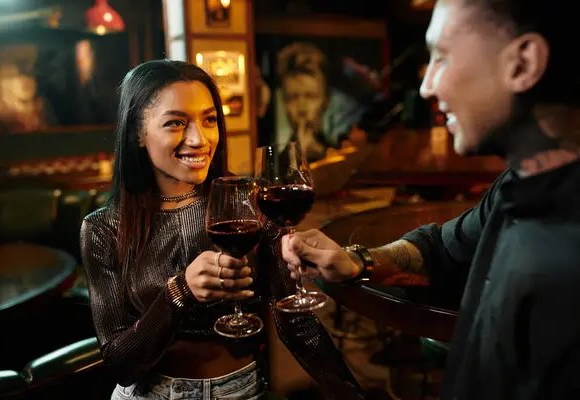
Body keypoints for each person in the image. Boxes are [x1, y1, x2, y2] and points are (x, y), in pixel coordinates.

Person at [281, 0, 580, 399]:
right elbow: (445, 247)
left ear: (522, 63)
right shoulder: (517, 183)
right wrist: (357, 260)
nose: (427, 85)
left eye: (441, 56)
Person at [80, 60, 366, 399]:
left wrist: (353, 395)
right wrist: (180, 292)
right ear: (137, 134)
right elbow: (120, 365)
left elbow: (297, 324)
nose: (199, 139)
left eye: (209, 119)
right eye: (175, 123)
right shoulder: (102, 228)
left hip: (242, 390)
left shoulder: (250, 206)